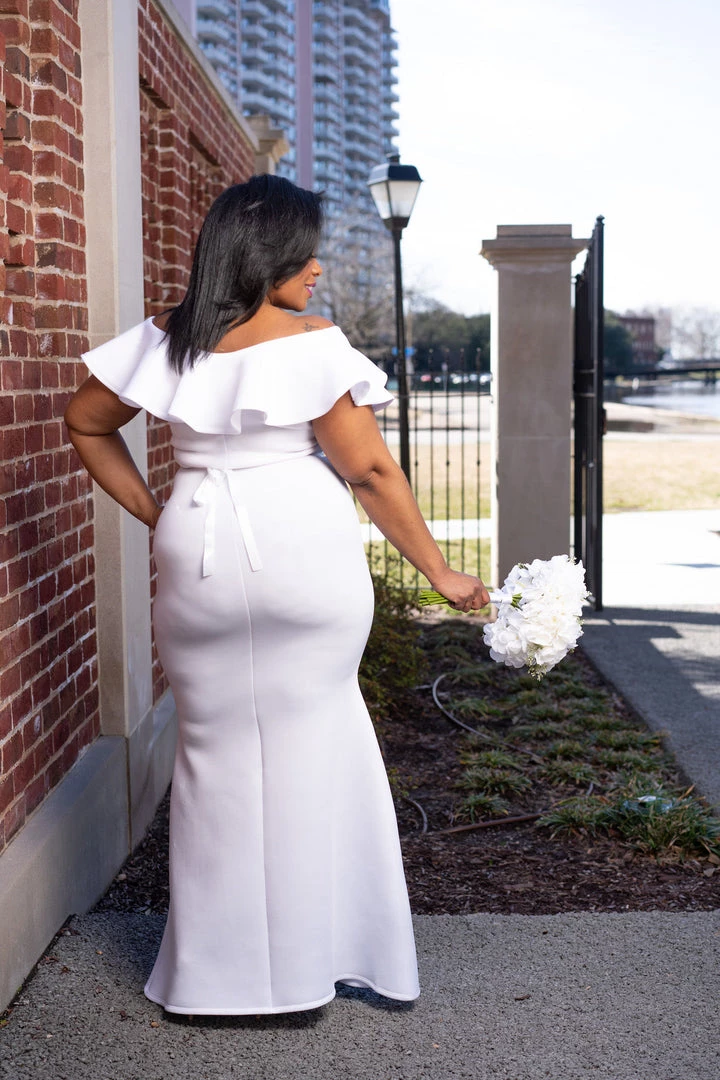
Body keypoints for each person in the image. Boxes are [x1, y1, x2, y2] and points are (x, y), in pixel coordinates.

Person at [64, 175, 490, 1016]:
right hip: (302, 552)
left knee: (210, 757)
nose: (318, 268)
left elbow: (84, 422)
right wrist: (441, 573)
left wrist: (157, 513)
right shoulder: (311, 342)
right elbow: (370, 470)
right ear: (268, 258)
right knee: (319, 743)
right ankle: (323, 961)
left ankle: (214, 983)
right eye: (306, 253)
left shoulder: (164, 339)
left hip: (199, 548)